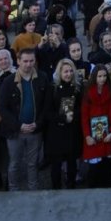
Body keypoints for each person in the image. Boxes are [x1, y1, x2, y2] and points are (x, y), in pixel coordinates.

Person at [0, 48, 51, 192]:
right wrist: (18, 125)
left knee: (32, 163)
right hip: (15, 132)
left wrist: (38, 124)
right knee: (14, 163)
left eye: (31, 61)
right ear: (18, 61)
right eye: (25, 61)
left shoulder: (42, 77)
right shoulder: (9, 82)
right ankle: (13, 190)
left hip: (35, 130)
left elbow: (47, 106)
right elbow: (2, 108)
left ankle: (33, 189)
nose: (28, 64)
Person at [79, 66, 111, 188]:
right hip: (92, 135)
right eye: (99, 76)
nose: (102, 79)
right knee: (94, 170)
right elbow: (84, 116)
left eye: (104, 76)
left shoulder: (109, 91)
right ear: (94, 77)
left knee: (106, 167)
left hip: (106, 135)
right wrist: (87, 136)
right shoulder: (88, 93)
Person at [47, 59, 81, 190]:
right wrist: (62, 118)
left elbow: (81, 107)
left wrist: (74, 116)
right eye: (65, 71)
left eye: (71, 71)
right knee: (56, 165)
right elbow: (48, 112)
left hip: (72, 132)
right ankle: (56, 189)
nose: (69, 74)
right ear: (59, 72)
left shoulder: (77, 88)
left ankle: (71, 186)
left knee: (72, 163)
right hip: (56, 133)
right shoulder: (53, 88)